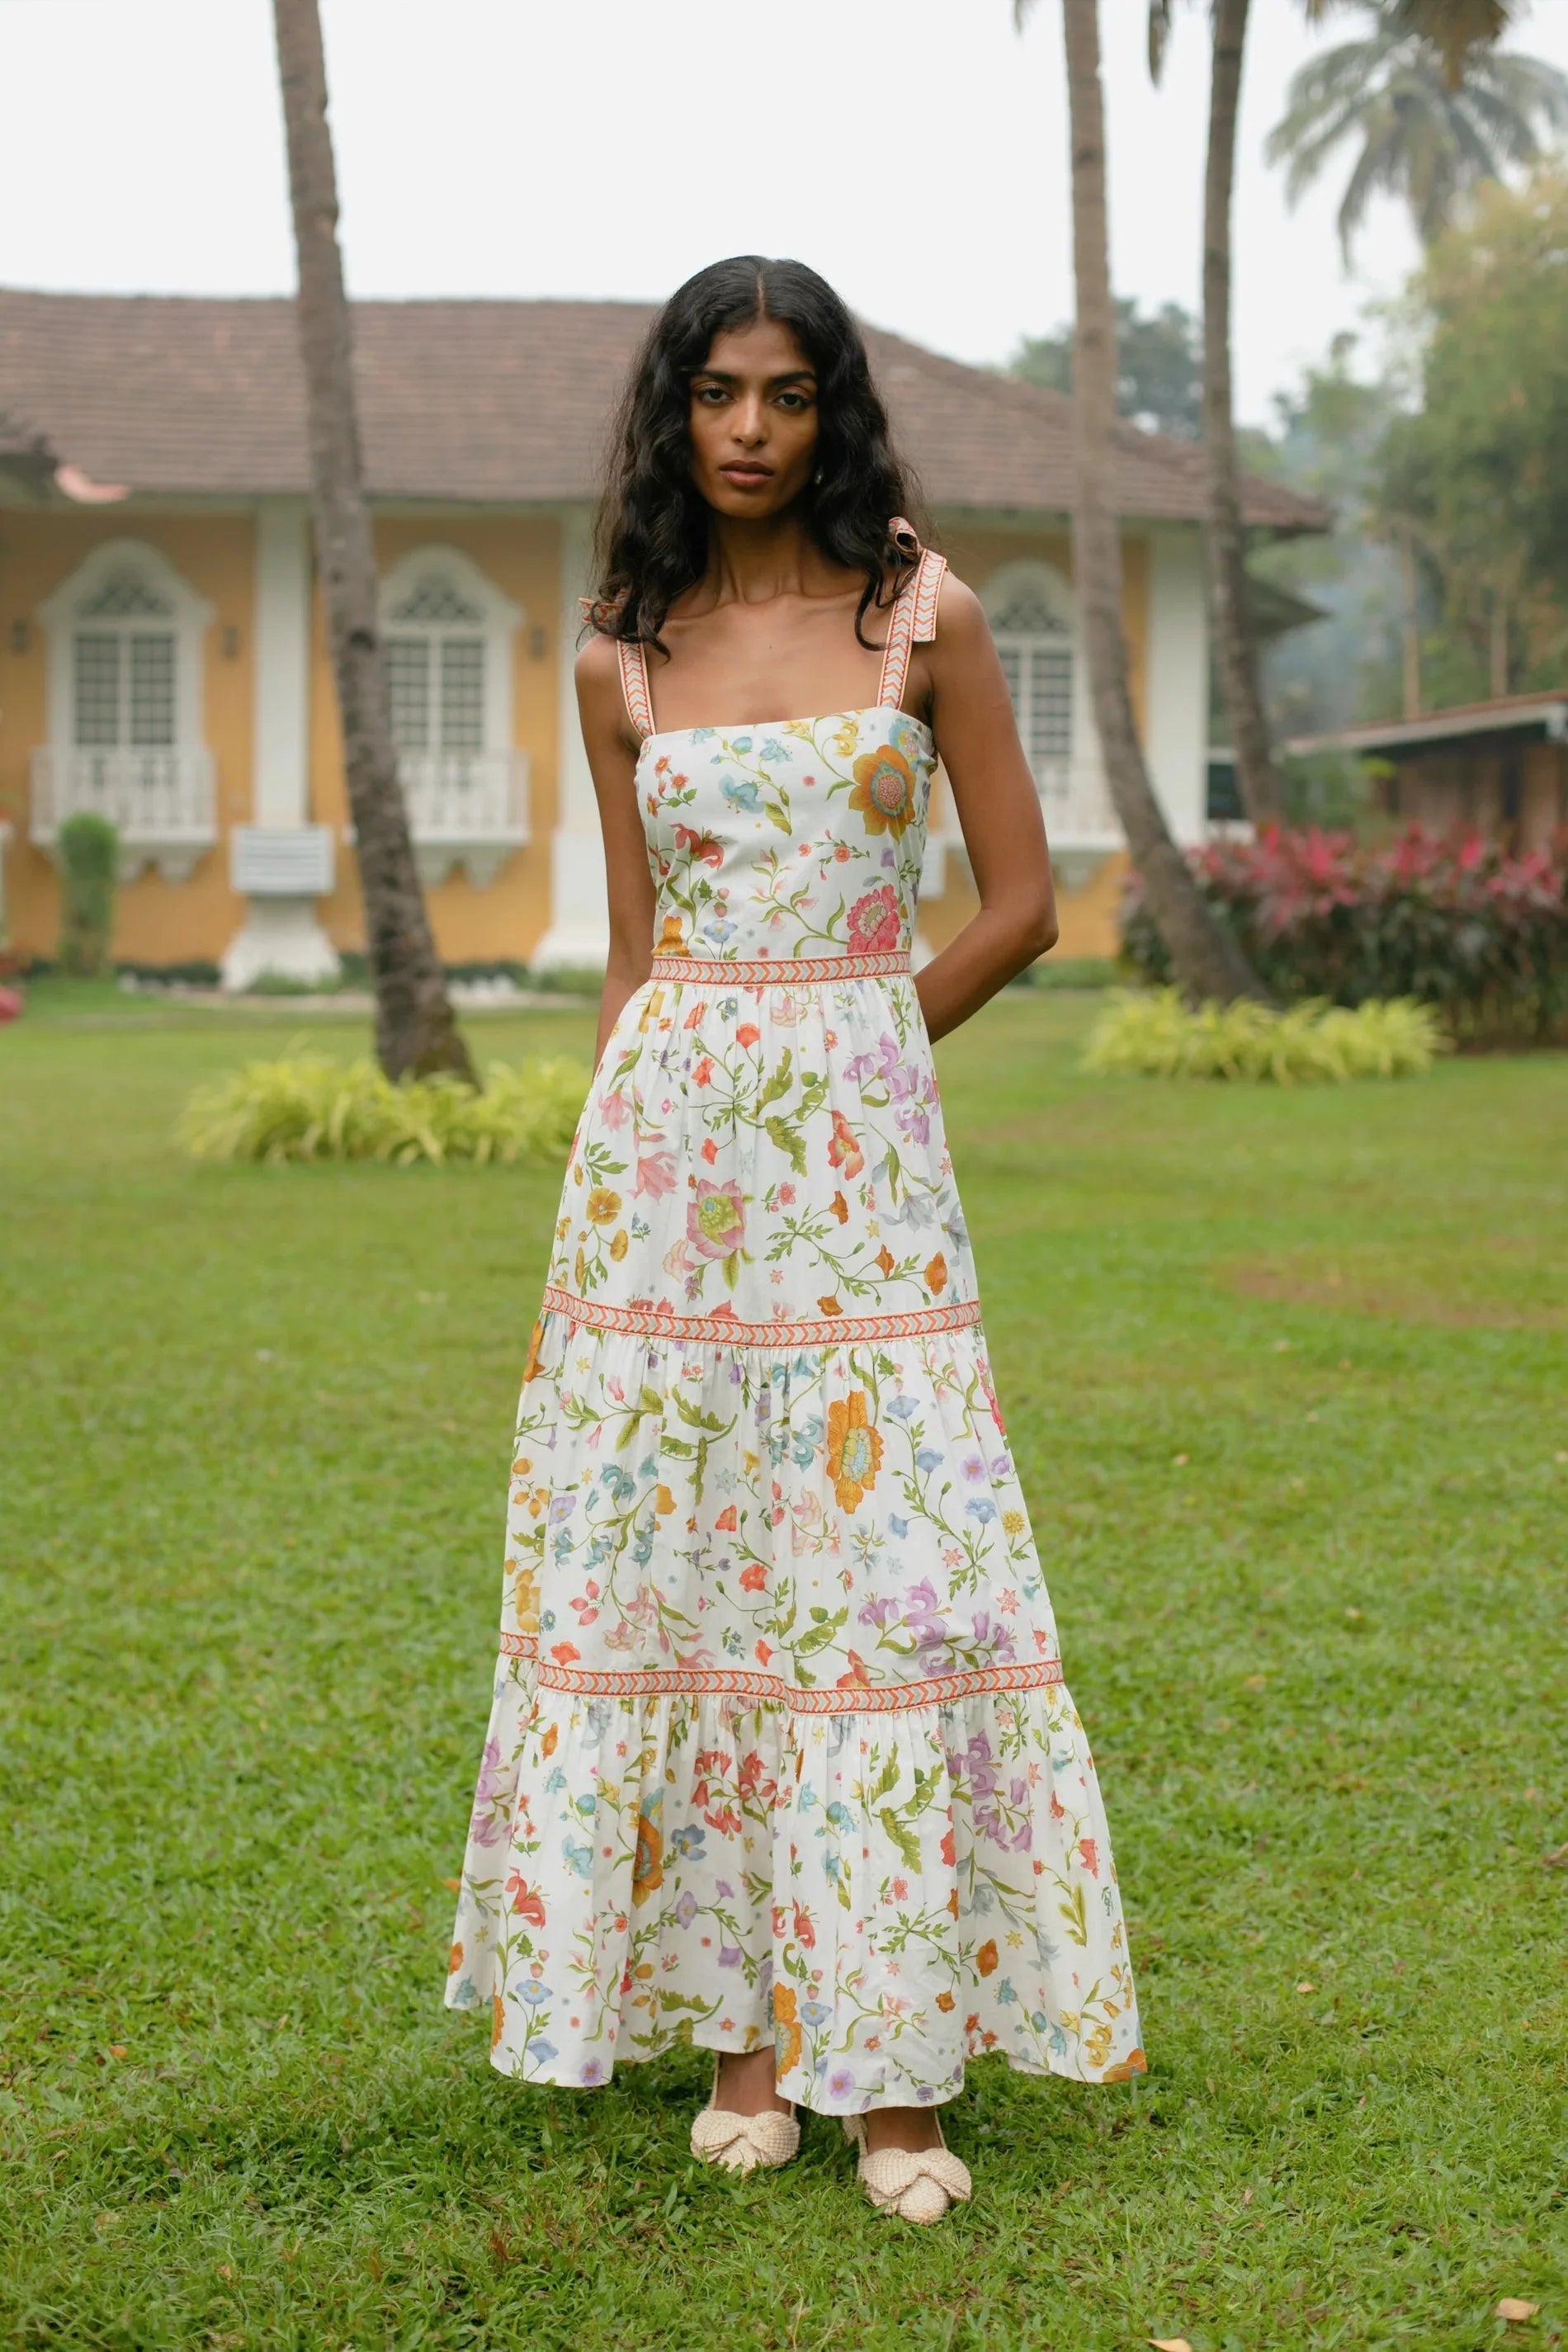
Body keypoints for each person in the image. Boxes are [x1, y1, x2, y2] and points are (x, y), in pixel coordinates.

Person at [446, 255, 1145, 2225]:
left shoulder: (922, 614)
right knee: (694, 1581)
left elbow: (1017, 906)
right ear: (671, 415)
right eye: (714, 393)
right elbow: (635, 954)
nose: (749, 429)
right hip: (660, 1192)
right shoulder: (623, 653)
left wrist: (847, 1045)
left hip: (858, 1196)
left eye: (786, 393)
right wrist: (600, 1200)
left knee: (879, 1576)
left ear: (834, 410)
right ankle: (749, 2041)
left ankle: (895, 2076)